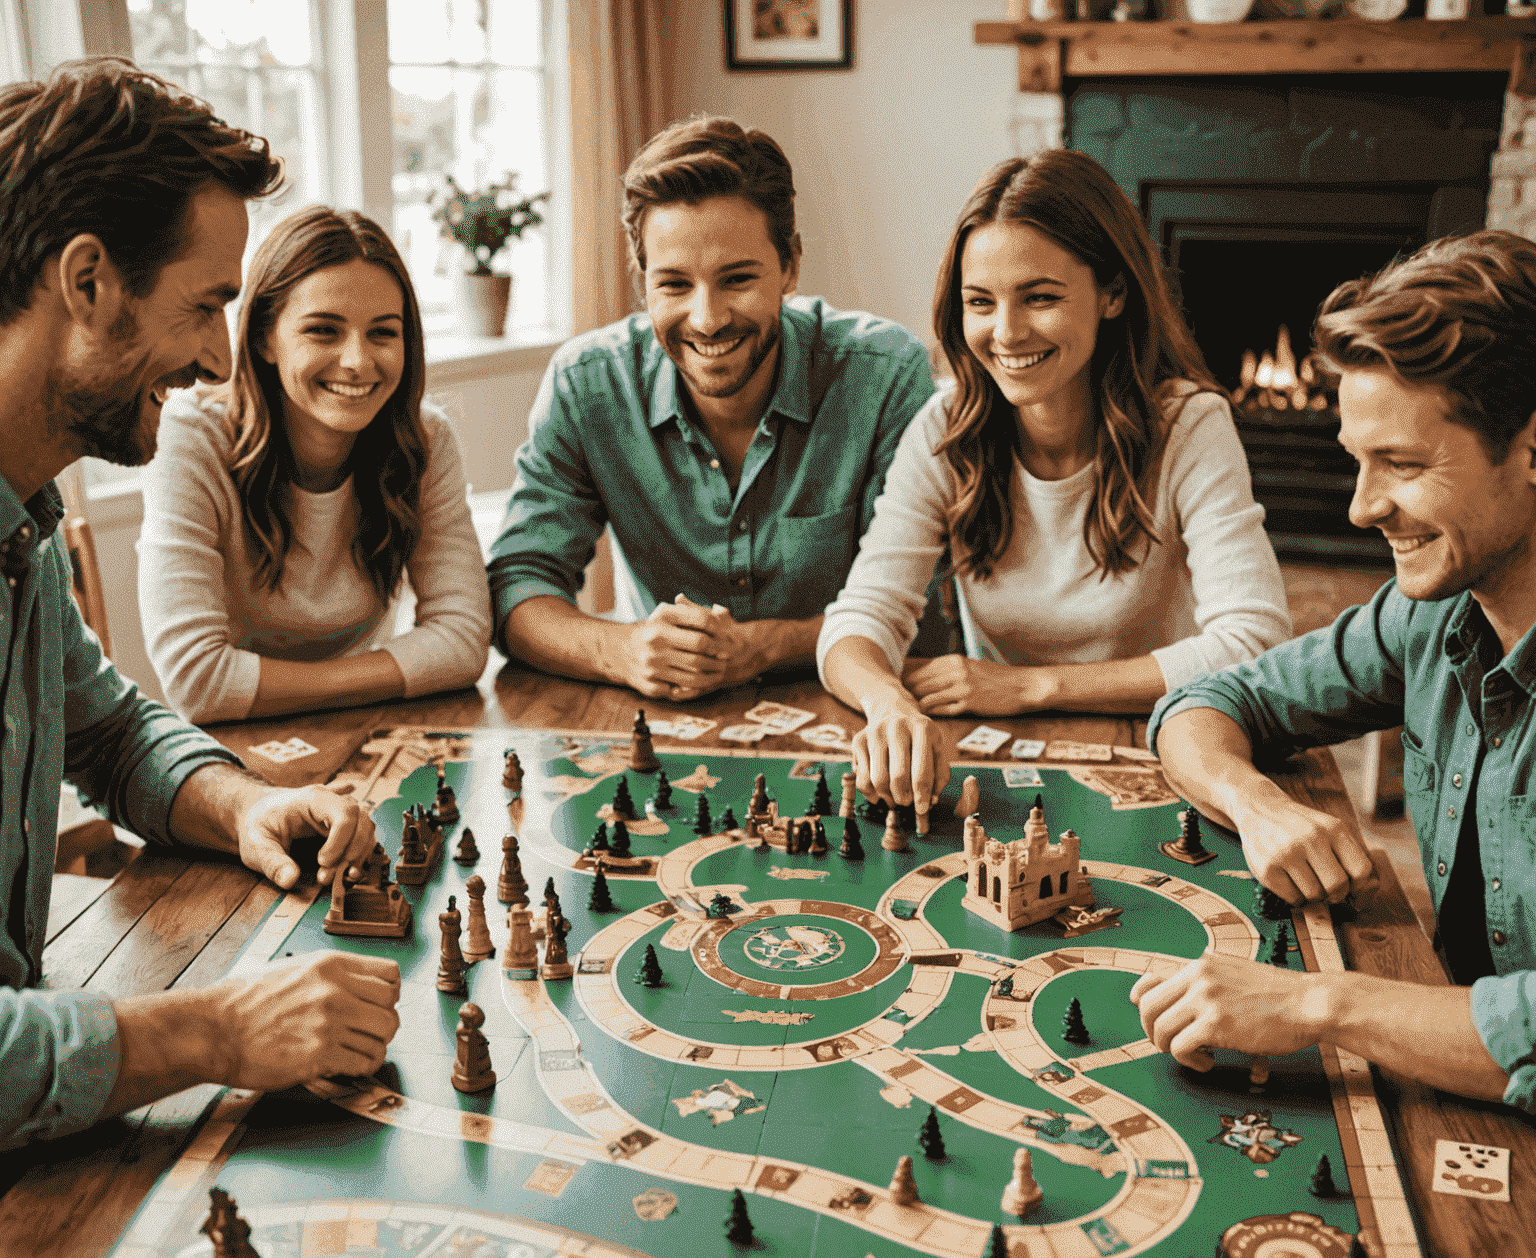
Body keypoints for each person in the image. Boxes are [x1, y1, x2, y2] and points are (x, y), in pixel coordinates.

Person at [0, 61, 400, 1153]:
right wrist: (212, 1034)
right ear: (87, 282)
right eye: (208, 306)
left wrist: (240, 805)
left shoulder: (22, 519)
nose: (221, 359)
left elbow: (112, 728)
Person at [1137, 229, 1536, 1111]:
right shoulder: (1428, 613)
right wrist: (1258, 803)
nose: (1361, 507)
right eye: (1359, 460)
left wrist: (1318, 1003)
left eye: (1402, 464)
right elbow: (1207, 702)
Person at [820, 151, 1292, 814]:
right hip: (1010, 764)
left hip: (1169, 746)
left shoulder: (1191, 423)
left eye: (1040, 298)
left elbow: (1254, 644)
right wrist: (887, 700)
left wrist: (1031, 686)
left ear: (1113, 293)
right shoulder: (944, 427)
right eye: (980, 302)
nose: (1006, 333)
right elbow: (858, 619)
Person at [487, 115, 935, 699]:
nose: (707, 318)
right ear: (641, 278)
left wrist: (763, 647)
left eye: (737, 279)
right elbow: (517, 585)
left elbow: (928, 602)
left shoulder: (884, 376)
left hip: (854, 712)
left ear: (790, 265)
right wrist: (620, 650)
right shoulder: (589, 383)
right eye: (674, 285)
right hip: (664, 721)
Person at [138, 207, 491, 723]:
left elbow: (463, 639)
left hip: (366, 728)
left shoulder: (426, 438)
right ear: (264, 339)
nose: (356, 360)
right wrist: (400, 669)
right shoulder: (192, 434)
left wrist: (258, 684)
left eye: (383, 333)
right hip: (240, 749)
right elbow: (197, 681)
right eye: (324, 331)